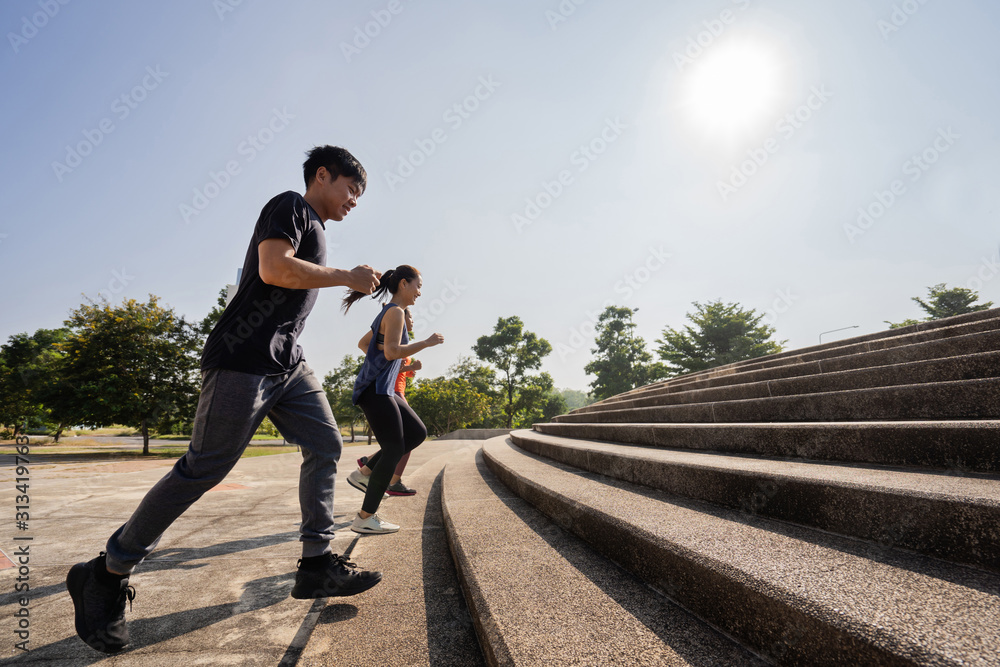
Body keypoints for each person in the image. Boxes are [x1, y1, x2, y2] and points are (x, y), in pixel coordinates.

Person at [66, 146, 384, 654]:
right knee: (204, 468)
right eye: (351, 189)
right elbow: (275, 269)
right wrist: (347, 276)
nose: (353, 201)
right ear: (322, 175)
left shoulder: (315, 228)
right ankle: (105, 572)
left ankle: (316, 564)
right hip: (243, 358)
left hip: (288, 363)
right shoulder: (290, 206)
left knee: (325, 444)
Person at [341, 267, 443, 534]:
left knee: (417, 433)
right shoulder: (395, 312)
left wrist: (379, 358)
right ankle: (365, 517)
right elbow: (392, 352)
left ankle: (364, 474)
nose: (420, 292)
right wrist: (426, 342)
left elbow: (366, 344)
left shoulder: (388, 312)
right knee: (394, 448)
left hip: (382, 389)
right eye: (418, 286)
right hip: (375, 390)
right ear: (403, 284)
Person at [356, 307, 420, 496]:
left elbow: (396, 367)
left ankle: (370, 464)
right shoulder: (392, 325)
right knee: (409, 436)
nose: (413, 320)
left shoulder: (402, 339)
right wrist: (382, 360)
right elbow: (363, 344)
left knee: (404, 439)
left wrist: (409, 368)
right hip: (391, 390)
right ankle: (393, 481)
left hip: (398, 390)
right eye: (411, 316)